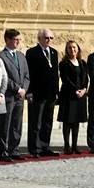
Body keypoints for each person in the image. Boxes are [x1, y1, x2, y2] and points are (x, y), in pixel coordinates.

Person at [25, 29, 59, 157]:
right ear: (39, 38)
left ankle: (45, 146)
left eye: (51, 38)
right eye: (46, 38)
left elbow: (55, 73)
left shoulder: (54, 52)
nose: (48, 40)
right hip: (37, 93)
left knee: (47, 121)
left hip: (50, 93)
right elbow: (29, 74)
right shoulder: (32, 53)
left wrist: (56, 91)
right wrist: (29, 92)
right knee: (36, 122)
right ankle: (34, 148)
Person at [0, 28, 30, 161]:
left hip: (20, 96)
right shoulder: (1, 56)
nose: (18, 42)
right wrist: (17, 88)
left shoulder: (21, 56)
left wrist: (24, 89)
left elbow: (27, 75)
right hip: (9, 95)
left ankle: (14, 149)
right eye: (15, 39)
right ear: (7, 40)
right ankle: (3, 151)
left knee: (17, 123)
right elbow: (4, 76)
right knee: (6, 123)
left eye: (19, 40)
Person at [57, 40, 88, 154]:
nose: (72, 50)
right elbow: (65, 79)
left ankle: (75, 145)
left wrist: (84, 90)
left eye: (74, 47)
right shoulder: (64, 63)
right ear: (67, 50)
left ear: (78, 49)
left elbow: (86, 78)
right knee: (68, 121)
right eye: (70, 48)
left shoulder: (83, 63)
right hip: (69, 95)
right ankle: (67, 145)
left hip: (81, 96)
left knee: (76, 121)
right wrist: (76, 90)